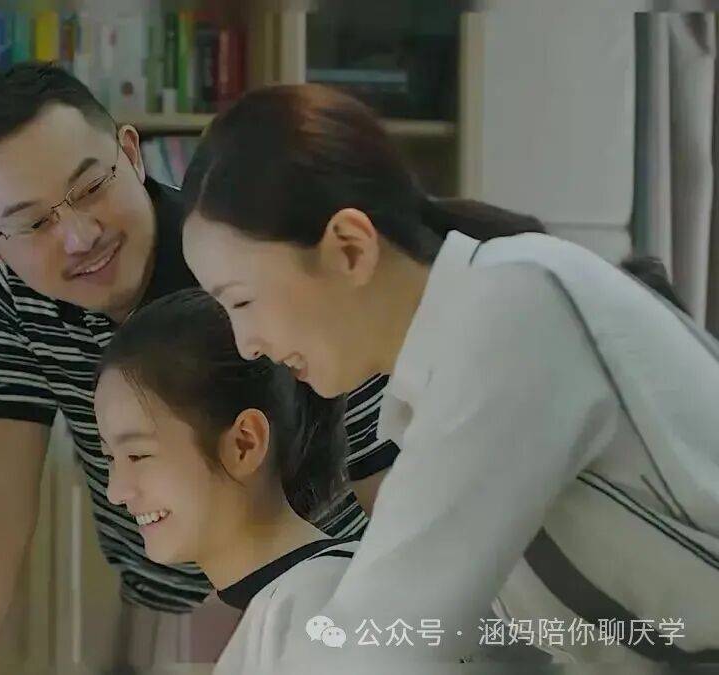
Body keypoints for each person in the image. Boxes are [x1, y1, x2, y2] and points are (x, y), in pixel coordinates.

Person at [179, 83, 719, 669]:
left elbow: (377, 642)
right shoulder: (435, 385)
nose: (247, 344)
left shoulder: (513, 313)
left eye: (242, 301)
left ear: (350, 249)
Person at [0, 63, 394, 673]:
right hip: (158, 610)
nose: (79, 237)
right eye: (33, 223)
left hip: (323, 605)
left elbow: (389, 482)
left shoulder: (250, 256)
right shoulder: (16, 289)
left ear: (130, 152)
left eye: (89, 188)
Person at [96, 288, 362, 671]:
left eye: (137, 455)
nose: (116, 491)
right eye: (110, 458)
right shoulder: (275, 605)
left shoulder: (319, 609)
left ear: (244, 444)